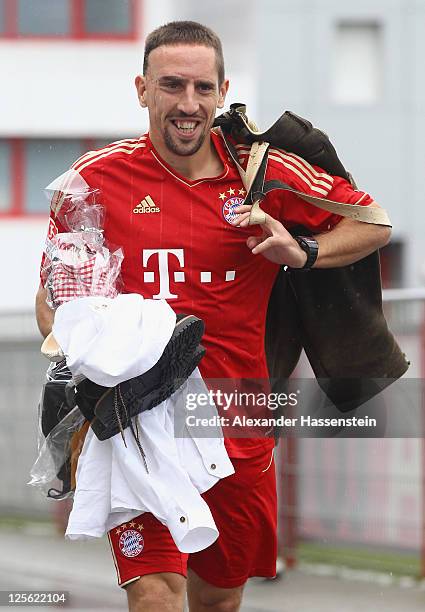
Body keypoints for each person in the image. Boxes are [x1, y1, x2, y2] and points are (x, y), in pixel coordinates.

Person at [35, 20, 391, 612]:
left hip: (236, 418)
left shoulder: (260, 174)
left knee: (218, 600)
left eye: (203, 88)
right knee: (154, 594)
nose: (188, 103)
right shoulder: (94, 180)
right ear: (142, 90)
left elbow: (373, 223)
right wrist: (81, 340)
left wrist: (300, 251)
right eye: (171, 86)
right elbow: (52, 301)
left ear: (223, 91)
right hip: (137, 423)